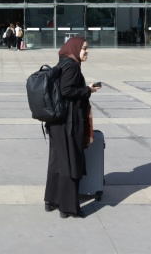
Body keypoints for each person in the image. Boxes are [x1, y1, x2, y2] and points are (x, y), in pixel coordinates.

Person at [44, 37, 99, 219]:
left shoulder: (62, 63)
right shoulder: (72, 66)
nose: (87, 51)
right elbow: (67, 90)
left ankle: (51, 200)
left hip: (57, 122)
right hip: (68, 123)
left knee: (57, 161)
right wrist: (87, 90)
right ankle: (67, 208)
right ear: (75, 48)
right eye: (84, 48)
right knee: (70, 163)